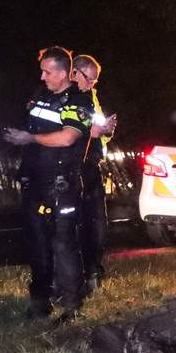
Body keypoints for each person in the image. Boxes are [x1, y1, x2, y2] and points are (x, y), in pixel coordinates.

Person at [3, 46, 94, 322]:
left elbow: (67, 138)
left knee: (63, 243)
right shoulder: (40, 95)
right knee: (37, 243)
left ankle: (71, 304)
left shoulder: (79, 100)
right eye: (41, 71)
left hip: (61, 183)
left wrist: (29, 139)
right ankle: (39, 301)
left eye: (48, 71)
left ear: (64, 73)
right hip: (35, 181)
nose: (42, 77)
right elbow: (32, 127)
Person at [70, 54, 118, 295]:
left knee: (98, 224)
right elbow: (67, 131)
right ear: (74, 72)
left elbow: (97, 131)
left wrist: (106, 130)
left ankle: (94, 270)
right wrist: (93, 131)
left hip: (92, 166)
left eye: (95, 81)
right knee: (76, 225)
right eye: (89, 79)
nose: (92, 85)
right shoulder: (64, 96)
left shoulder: (91, 96)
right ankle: (78, 276)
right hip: (72, 167)